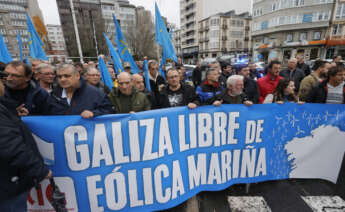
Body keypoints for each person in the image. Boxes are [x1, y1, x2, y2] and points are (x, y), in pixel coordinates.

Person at [0, 80, 52, 212]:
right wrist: (39, 170)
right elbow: (9, 146)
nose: (4, 85)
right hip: (7, 183)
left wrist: (10, 114)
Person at [49, 64, 113, 118]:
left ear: (77, 76)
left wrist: (94, 113)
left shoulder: (96, 93)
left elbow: (109, 110)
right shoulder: (54, 95)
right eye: (59, 77)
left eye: (67, 76)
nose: (62, 79)